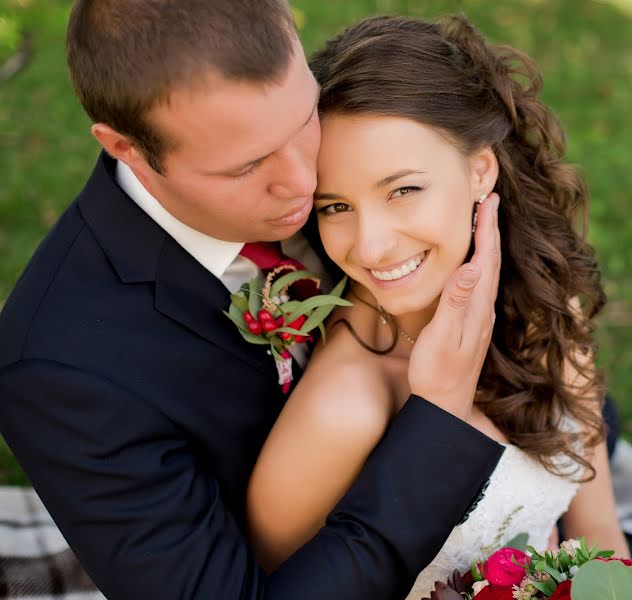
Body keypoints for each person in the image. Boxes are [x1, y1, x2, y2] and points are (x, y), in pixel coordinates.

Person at [0, 1, 506, 598]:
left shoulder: (353, 165)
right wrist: (440, 420)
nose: (304, 183)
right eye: (246, 168)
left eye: (301, 123)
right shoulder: (64, 372)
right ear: (128, 147)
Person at [244, 15, 628, 599]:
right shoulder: (343, 411)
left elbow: (601, 538)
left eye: (402, 190)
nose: (370, 246)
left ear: (480, 170)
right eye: (335, 206)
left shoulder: (546, 303)